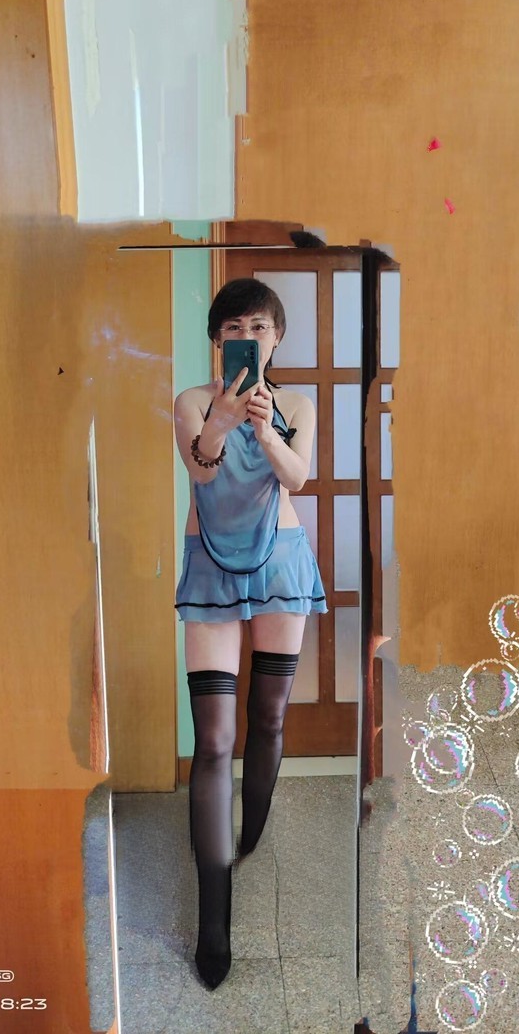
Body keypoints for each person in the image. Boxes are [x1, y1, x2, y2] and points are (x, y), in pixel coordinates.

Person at [173, 277, 327, 990]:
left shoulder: (295, 406)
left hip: (281, 565)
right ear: (218, 339)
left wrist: (264, 429)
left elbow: (297, 479)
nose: (247, 337)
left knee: (267, 717)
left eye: (259, 327)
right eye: (234, 327)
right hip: (210, 565)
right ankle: (214, 922)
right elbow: (201, 470)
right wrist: (223, 421)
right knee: (213, 740)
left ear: (277, 338)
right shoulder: (192, 401)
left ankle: (251, 837)